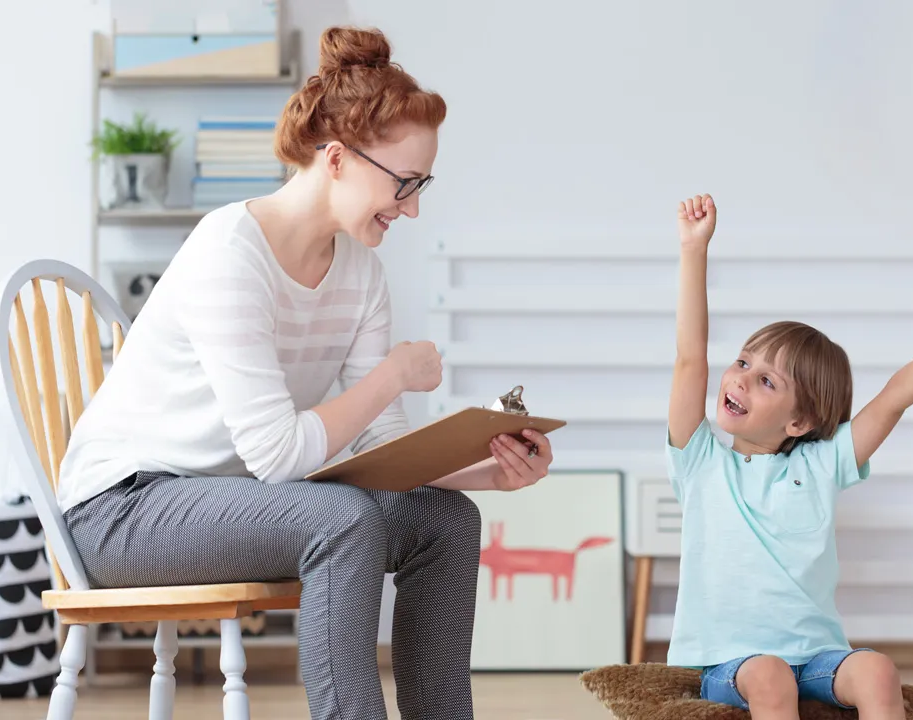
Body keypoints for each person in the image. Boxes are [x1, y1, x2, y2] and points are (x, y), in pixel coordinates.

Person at [56, 25, 555, 720]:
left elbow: (379, 452)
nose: (413, 207)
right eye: (404, 184)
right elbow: (278, 455)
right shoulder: (230, 252)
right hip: (123, 510)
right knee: (342, 519)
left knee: (447, 521)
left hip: (237, 500)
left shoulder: (361, 275)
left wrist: (486, 470)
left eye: (422, 184)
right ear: (338, 158)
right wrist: (392, 374)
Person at [666, 194, 913, 718]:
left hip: (819, 659)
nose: (738, 379)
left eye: (766, 381)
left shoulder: (821, 464)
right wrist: (694, 249)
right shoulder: (700, 460)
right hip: (730, 662)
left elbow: (895, 397)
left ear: (799, 423)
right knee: (770, 674)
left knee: (877, 669)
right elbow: (690, 360)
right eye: (742, 362)